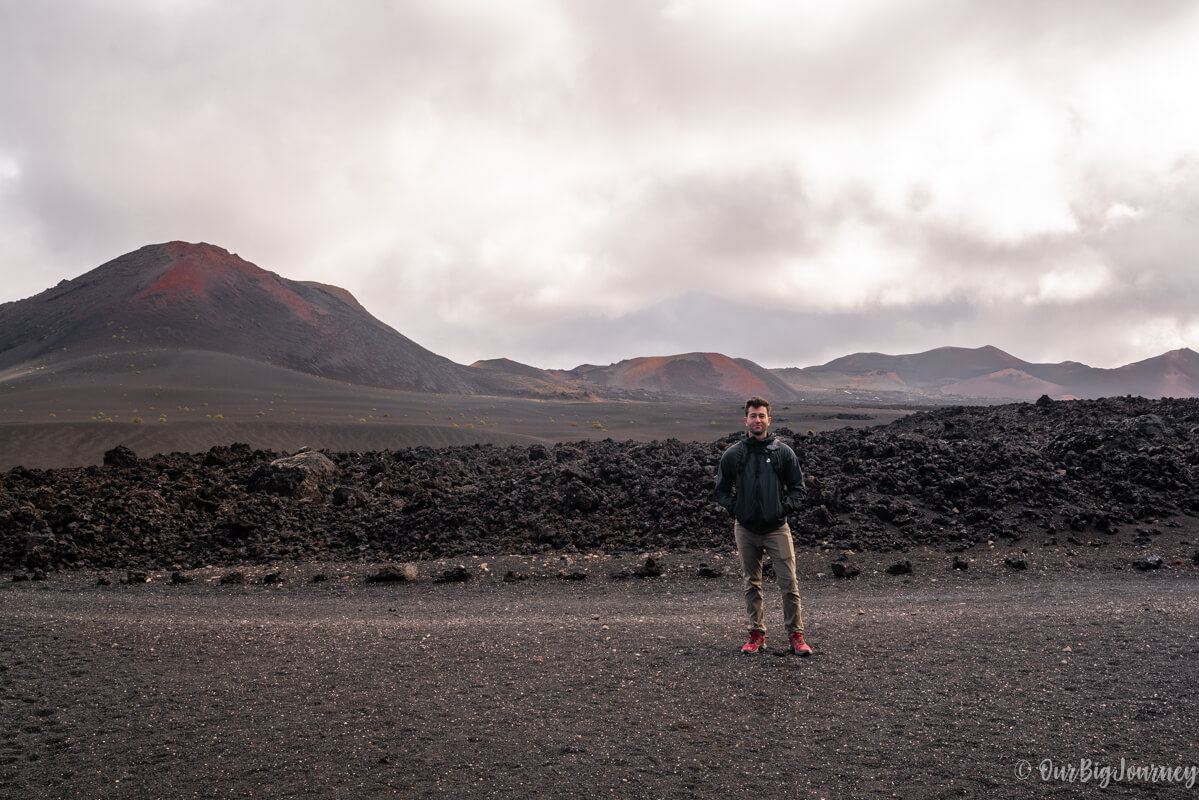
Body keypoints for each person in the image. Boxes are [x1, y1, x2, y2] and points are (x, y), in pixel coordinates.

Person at [714, 396, 812, 656]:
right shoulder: (734, 454)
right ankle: (756, 635)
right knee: (751, 583)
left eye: (761, 416)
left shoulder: (782, 453)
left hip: (777, 528)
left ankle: (796, 636)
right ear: (745, 419)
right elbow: (721, 490)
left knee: (789, 583)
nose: (757, 420)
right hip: (745, 529)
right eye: (752, 416)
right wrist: (738, 509)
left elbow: (798, 489)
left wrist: (781, 509)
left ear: (769, 420)